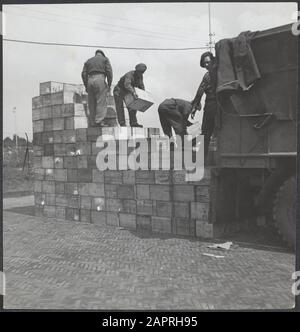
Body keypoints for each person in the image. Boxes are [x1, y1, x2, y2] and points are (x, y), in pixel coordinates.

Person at [191, 51, 217, 159]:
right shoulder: (222, 72)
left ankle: (202, 159)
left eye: (208, 62)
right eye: (205, 63)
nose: (206, 65)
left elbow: (200, 92)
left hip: (212, 106)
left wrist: (194, 107)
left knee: (206, 134)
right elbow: (200, 91)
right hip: (217, 106)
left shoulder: (208, 75)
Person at [81, 49, 113, 127]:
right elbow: (109, 72)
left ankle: (93, 123)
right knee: (101, 101)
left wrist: (86, 85)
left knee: (91, 102)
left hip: (90, 80)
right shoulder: (105, 59)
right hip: (100, 79)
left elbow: (83, 74)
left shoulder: (88, 61)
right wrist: (109, 84)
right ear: (102, 54)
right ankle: (99, 121)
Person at [113, 63, 147, 128]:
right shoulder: (129, 74)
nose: (141, 74)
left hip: (128, 91)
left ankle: (133, 123)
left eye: (142, 72)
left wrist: (143, 95)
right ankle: (122, 123)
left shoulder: (140, 76)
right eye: (140, 72)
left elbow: (141, 86)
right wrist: (133, 93)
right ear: (136, 70)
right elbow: (127, 85)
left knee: (133, 106)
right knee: (120, 107)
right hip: (119, 91)